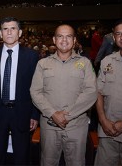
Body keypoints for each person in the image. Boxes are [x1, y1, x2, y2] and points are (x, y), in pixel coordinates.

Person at [30, 24, 97, 166]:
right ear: (54, 40)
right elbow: (35, 92)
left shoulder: (84, 63)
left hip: (76, 126)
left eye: (68, 36)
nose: (64, 40)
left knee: (76, 162)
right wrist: (53, 113)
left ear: (74, 40)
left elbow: (91, 92)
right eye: (60, 36)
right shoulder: (43, 63)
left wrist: (67, 116)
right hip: (49, 126)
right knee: (48, 162)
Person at [0, 17, 40, 165]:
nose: (9, 32)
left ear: (20, 32)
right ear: (0, 33)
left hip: (22, 112)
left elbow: (37, 88)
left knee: (22, 157)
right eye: (5, 29)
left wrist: (34, 114)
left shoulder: (32, 56)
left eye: (13, 28)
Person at [94, 19, 122, 166]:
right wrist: (102, 120)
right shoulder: (107, 61)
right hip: (107, 132)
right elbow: (98, 92)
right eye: (118, 34)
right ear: (113, 38)